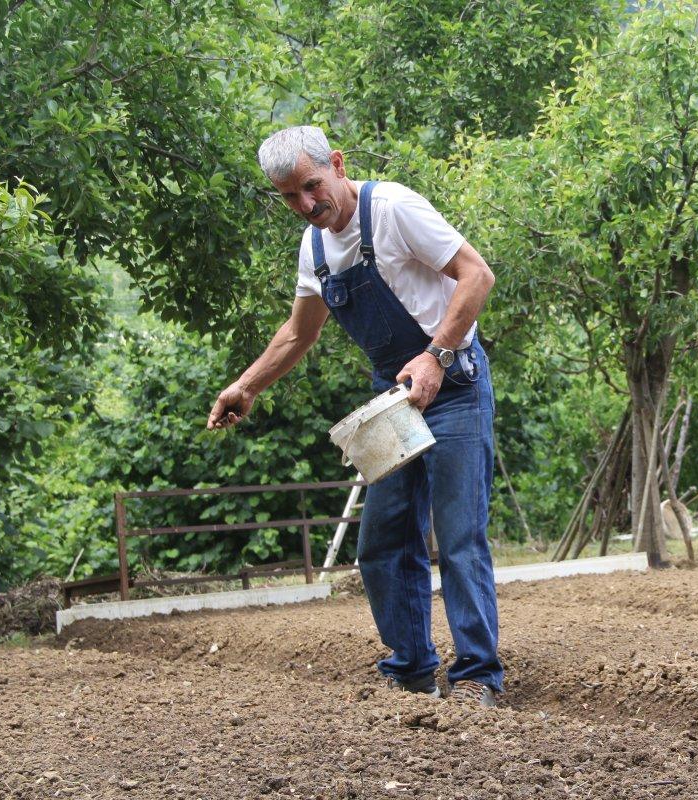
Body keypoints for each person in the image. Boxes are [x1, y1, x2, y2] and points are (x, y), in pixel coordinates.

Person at [207, 126, 502, 708]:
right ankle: (413, 669)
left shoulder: (392, 208)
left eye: (312, 186)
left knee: (460, 537)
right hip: (393, 398)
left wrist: (436, 355)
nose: (307, 205)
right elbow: (298, 332)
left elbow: (478, 275)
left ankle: (476, 677)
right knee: (383, 541)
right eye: (290, 196)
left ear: (337, 164)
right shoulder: (314, 249)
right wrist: (245, 386)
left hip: (456, 382)